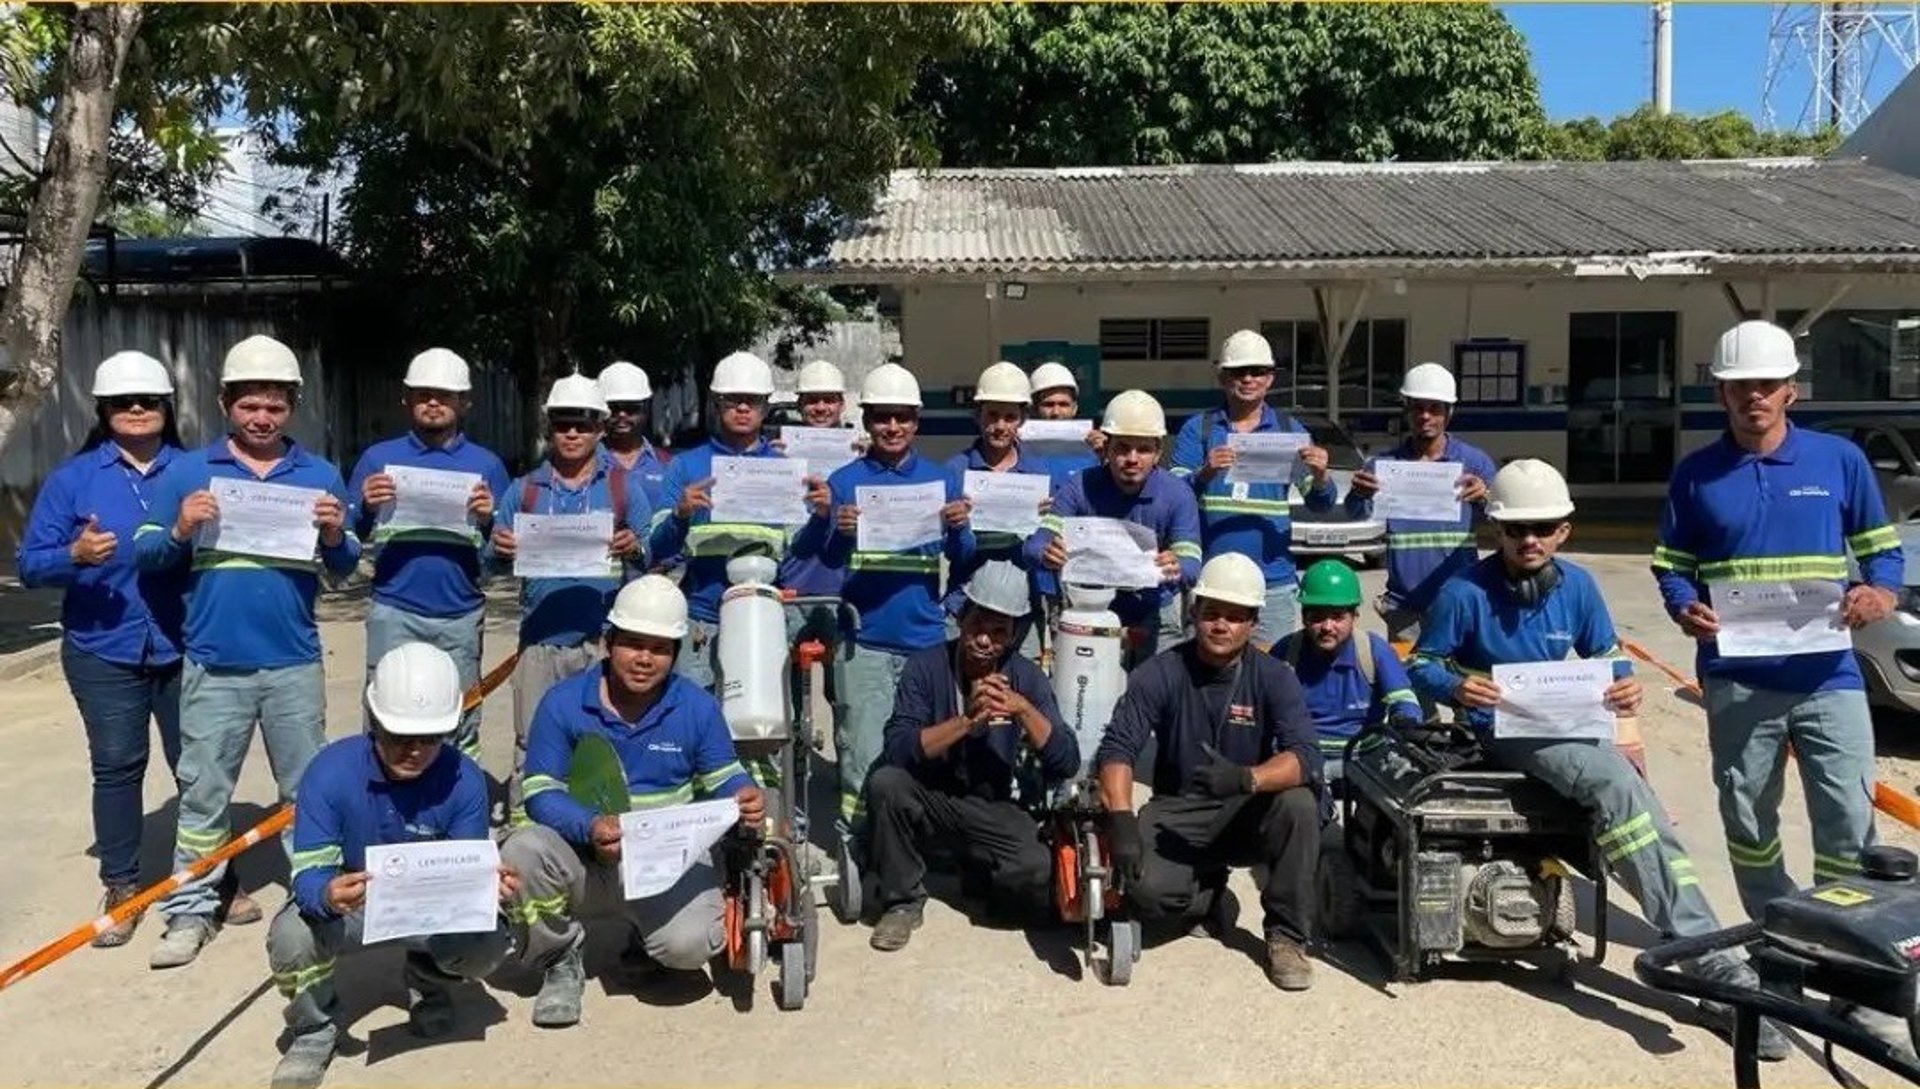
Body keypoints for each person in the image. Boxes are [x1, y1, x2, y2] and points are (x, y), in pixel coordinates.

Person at [1411, 458, 1789, 1059]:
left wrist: (1624, 687)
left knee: (1635, 804)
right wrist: (1456, 687)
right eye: (1516, 529)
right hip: (1501, 730)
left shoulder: (1581, 587)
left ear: (1565, 530)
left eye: (1543, 527)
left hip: (1572, 724)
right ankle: (1708, 957)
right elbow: (1422, 664)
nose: (1529, 540)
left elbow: (1609, 654)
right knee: (1618, 787)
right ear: (1495, 532)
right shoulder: (1464, 592)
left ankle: (1702, 945)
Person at [1655, 320, 1902, 913]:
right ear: (1720, 394)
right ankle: (1775, 929)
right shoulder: (1696, 475)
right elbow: (1672, 564)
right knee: (1747, 820)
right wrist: (1684, 605)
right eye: (1740, 385)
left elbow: (1882, 552)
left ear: (1792, 388)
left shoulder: (1838, 461)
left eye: (1767, 383)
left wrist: (1881, 595)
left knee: (1846, 816)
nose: (1753, 396)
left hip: (1828, 677)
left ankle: (1842, 936)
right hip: (1738, 680)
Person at [136, 335, 360, 969]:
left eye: (276, 407)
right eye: (249, 406)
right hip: (213, 661)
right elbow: (147, 552)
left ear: (292, 406)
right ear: (225, 402)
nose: (262, 418)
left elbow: (344, 568)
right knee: (204, 793)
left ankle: (313, 896)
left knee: (305, 791)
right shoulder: (188, 470)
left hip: (293, 662)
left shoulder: (318, 474)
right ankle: (190, 910)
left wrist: (337, 533)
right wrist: (180, 526)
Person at [500, 576, 765, 1028]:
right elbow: (541, 792)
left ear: (676, 654)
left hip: (666, 865)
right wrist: (591, 827)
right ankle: (559, 958)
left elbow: (725, 777)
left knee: (690, 945)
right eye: (634, 644)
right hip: (588, 858)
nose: (645, 659)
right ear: (608, 642)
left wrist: (744, 795)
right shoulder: (564, 703)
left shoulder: (696, 707)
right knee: (521, 852)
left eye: (660, 648)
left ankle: (644, 942)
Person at [266, 643, 514, 1089]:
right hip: (354, 905)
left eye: (432, 737)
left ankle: (428, 980)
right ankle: (315, 1025)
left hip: (428, 905)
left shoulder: (465, 781)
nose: (415, 750)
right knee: (292, 936)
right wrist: (327, 893)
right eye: (400, 736)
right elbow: (307, 875)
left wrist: (484, 888)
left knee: (490, 935)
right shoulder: (330, 772)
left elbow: (464, 873)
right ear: (373, 721)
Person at [17, 350, 189, 947]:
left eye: (147, 401)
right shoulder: (74, 479)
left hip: (183, 645)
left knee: (198, 770)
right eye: (123, 402)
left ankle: (212, 878)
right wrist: (74, 556)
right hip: (102, 650)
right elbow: (29, 565)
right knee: (117, 767)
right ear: (104, 410)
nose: (136, 410)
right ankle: (122, 882)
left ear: (167, 407)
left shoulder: (194, 471)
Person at [1094, 553, 1323, 991]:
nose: (1221, 626)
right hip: (1177, 811)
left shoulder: (1275, 677)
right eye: (1212, 613)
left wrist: (1246, 779)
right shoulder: (1159, 673)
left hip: (1246, 807)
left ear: (1253, 623)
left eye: (1235, 617)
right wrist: (1120, 818)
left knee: (1300, 804)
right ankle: (1208, 893)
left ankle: (1287, 937)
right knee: (1145, 893)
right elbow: (1118, 747)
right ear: (1194, 612)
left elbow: (1304, 756)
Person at [791, 362, 974, 835]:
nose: (892, 427)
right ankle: (861, 842)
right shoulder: (845, 480)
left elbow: (963, 557)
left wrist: (960, 528)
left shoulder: (940, 481)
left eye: (902, 417)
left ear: (916, 421)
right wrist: (840, 531)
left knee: (928, 747)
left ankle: (921, 838)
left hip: (925, 639)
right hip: (863, 642)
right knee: (861, 751)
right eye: (881, 417)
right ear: (866, 420)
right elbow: (828, 561)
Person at [865, 561, 1080, 951]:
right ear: (962, 618)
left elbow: (1066, 761)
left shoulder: (1026, 678)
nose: (985, 640)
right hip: (929, 797)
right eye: (978, 626)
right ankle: (902, 902)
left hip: (990, 805)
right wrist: (965, 721)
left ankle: (978, 880)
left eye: (999, 633)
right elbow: (898, 750)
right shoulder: (925, 667)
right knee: (886, 783)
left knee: (1036, 871)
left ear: (1013, 636)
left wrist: (1023, 711)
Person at [490, 374, 650, 824]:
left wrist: (633, 546)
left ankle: (608, 825)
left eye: (583, 424)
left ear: (601, 429)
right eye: (563, 424)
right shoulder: (524, 490)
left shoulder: (621, 488)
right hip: (539, 642)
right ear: (550, 429)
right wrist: (499, 551)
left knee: (607, 739)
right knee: (531, 741)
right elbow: (492, 564)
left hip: (601, 644)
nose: (573, 434)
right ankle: (526, 828)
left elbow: (651, 554)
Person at [346, 348, 511, 761]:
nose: (433, 402)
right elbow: (348, 538)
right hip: (393, 608)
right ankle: (381, 806)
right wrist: (364, 506)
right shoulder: (377, 459)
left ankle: (457, 799)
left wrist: (491, 520)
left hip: (460, 612)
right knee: (385, 708)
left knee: (460, 711)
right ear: (407, 400)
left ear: (464, 402)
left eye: (444, 395)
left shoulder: (487, 466)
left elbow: (504, 554)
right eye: (423, 394)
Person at [1171, 329, 1337, 649]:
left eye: (1257, 372)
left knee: (1268, 678)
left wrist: (1320, 477)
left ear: (1270, 378)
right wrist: (1203, 473)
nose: (1248, 379)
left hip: (1271, 583)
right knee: (1203, 681)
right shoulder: (1199, 429)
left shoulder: (1290, 430)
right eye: (1238, 372)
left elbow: (1320, 504)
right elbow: (1173, 497)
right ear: (1222, 377)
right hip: (1209, 580)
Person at [647, 351, 798, 689]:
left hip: (765, 616)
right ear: (717, 404)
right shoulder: (685, 466)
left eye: (752, 400)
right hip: (702, 619)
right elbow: (655, 549)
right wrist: (679, 514)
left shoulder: (784, 469)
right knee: (694, 724)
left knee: (759, 730)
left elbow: (798, 549)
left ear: (764, 406)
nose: (742, 408)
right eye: (732, 400)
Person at [1026, 390, 1202, 668]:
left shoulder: (1177, 494)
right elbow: (1035, 545)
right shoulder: (1080, 486)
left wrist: (1177, 564)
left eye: (1143, 449)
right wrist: (1047, 552)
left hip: (1156, 614)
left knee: (1156, 702)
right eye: (1122, 447)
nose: (1132, 458)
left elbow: (1192, 564)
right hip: (1091, 611)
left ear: (1158, 453)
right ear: (1106, 448)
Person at [1340, 362, 1497, 648]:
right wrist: (1359, 494)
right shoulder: (1383, 466)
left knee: (1457, 686)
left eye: (1435, 408)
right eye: (1418, 407)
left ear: (1450, 412)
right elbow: (1352, 514)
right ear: (1407, 410)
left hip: (1459, 602)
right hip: (1403, 609)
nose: (1425, 416)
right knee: (1409, 688)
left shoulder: (1474, 463)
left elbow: (1505, 522)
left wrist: (1486, 497)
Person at [774, 359, 860, 756]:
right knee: (784, 692)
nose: (821, 408)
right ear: (799, 405)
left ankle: (846, 766)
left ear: (842, 404)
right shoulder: (779, 454)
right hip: (791, 590)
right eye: (812, 401)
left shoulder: (862, 455)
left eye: (828, 400)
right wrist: (770, 465)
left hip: (843, 591)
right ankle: (790, 766)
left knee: (843, 694)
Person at [1269, 560, 1422, 782]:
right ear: (1303, 616)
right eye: (1317, 617)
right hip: (1301, 762)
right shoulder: (1285, 652)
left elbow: (1405, 702)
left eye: (1338, 616)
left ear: (1354, 616)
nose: (1327, 627)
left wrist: (1406, 725)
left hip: (1365, 760)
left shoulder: (1373, 651)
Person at [945, 362, 1049, 656]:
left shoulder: (1038, 474)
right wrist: (958, 526)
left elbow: (1040, 551)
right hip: (965, 604)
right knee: (962, 690)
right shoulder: (955, 470)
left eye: (1009, 416)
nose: (1000, 425)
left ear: (1022, 419)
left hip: (1021, 605)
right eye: (992, 415)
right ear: (978, 416)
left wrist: (1044, 525)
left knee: (1019, 686)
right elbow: (953, 552)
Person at [596, 360, 671, 510]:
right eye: (613, 408)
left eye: (631, 408)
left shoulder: (668, 465)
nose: (622, 415)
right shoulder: (581, 464)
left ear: (646, 410)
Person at [1026, 361, 1104, 489]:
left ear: (1074, 408)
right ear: (1033, 408)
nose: (1056, 412)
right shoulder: (1017, 449)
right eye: (1048, 404)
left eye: (1063, 404)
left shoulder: (1094, 449)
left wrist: (1107, 457)